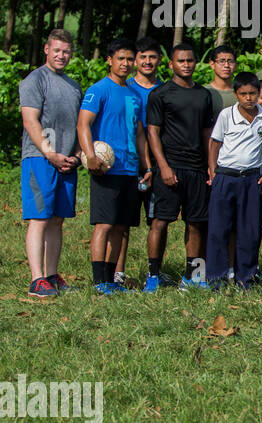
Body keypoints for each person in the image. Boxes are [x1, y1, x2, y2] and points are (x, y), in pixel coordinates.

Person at [78, 38, 151, 295]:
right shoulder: (99, 89)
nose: (126, 64)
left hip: (130, 170)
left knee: (121, 227)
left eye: (130, 59)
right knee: (105, 225)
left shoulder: (134, 94)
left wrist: (147, 166)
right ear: (109, 60)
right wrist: (90, 156)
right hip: (106, 169)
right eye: (121, 58)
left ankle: (112, 281)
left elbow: (140, 133)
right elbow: (83, 124)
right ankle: (99, 281)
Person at [145, 42, 216, 291]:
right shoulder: (160, 94)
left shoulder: (203, 94)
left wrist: (211, 165)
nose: (186, 65)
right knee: (160, 221)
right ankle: (153, 275)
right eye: (181, 61)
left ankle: (194, 276)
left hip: (197, 168)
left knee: (197, 223)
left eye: (190, 60)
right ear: (171, 64)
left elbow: (208, 132)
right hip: (170, 166)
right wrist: (162, 166)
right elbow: (152, 132)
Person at [20, 29, 82, 298]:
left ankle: (51, 275)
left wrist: (77, 155)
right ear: (46, 49)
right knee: (39, 219)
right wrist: (50, 154)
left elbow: (80, 126)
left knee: (57, 220)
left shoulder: (73, 85)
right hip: (40, 159)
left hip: (66, 161)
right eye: (57, 50)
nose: (61, 55)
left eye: (66, 51)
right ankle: (36, 280)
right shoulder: (34, 80)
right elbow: (30, 121)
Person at [206, 72, 262, 290]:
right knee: (218, 230)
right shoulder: (227, 115)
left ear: (259, 93)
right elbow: (214, 144)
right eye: (243, 94)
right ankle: (216, 278)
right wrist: (213, 171)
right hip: (226, 177)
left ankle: (246, 278)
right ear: (236, 94)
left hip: (252, 179)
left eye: (253, 93)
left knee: (250, 230)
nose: (248, 98)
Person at [119, 36, 164, 285]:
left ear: (159, 60)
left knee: (157, 220)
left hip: (157, 164)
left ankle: (153, 273)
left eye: (152, 57)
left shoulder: (165, 90)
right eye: (143, 57)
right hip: (128, 163)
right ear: (135, 60)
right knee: (122, 221)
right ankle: (118, 271)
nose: (147, 62)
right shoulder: (125, 88)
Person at [206, 45, 239, 114]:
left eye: (230, 61)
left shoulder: (242, 93)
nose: (226, 65)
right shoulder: (205, 93)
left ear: (236, 65)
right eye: (222, 61)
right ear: (212, 64)